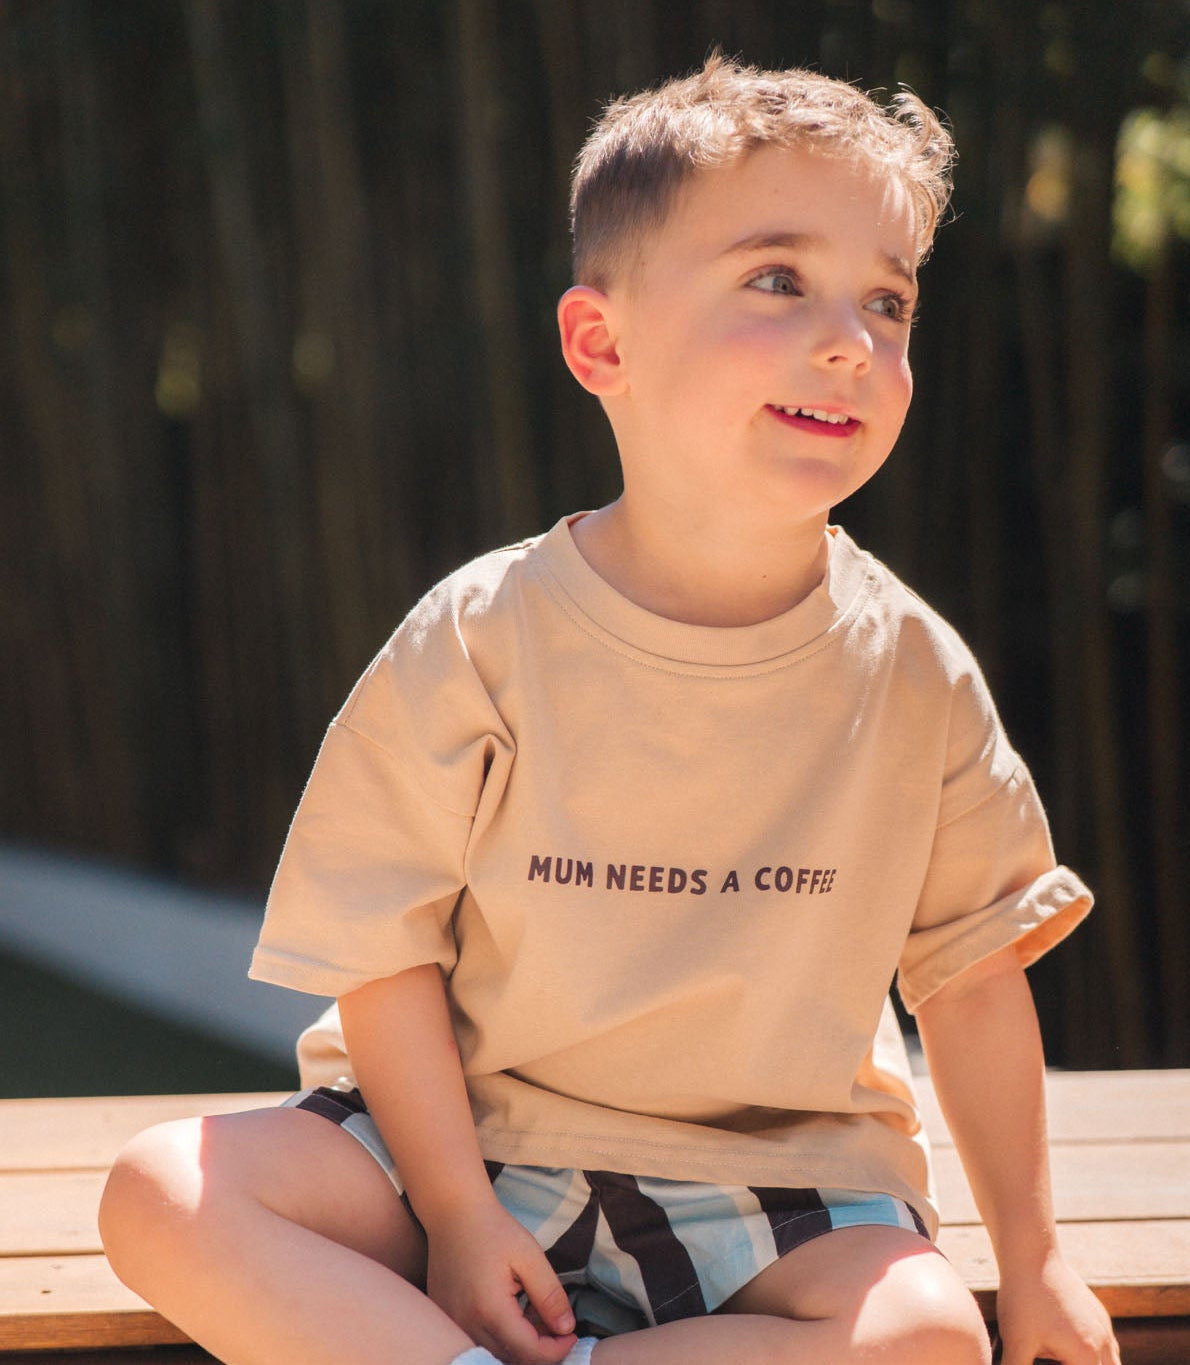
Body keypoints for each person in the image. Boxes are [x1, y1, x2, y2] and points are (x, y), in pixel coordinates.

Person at [100, 54, 1120, 1365]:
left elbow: (973, 982)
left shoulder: (911, 670)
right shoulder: (480, 634)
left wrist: (1032, 1261)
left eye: (888, 301)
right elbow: (381, 947)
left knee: (922, 1335)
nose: (847, 338)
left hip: (779, 1187)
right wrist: (460, 1214)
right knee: (163, 1188)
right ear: (601, 343)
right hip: (461, 1134)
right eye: (775, 278)